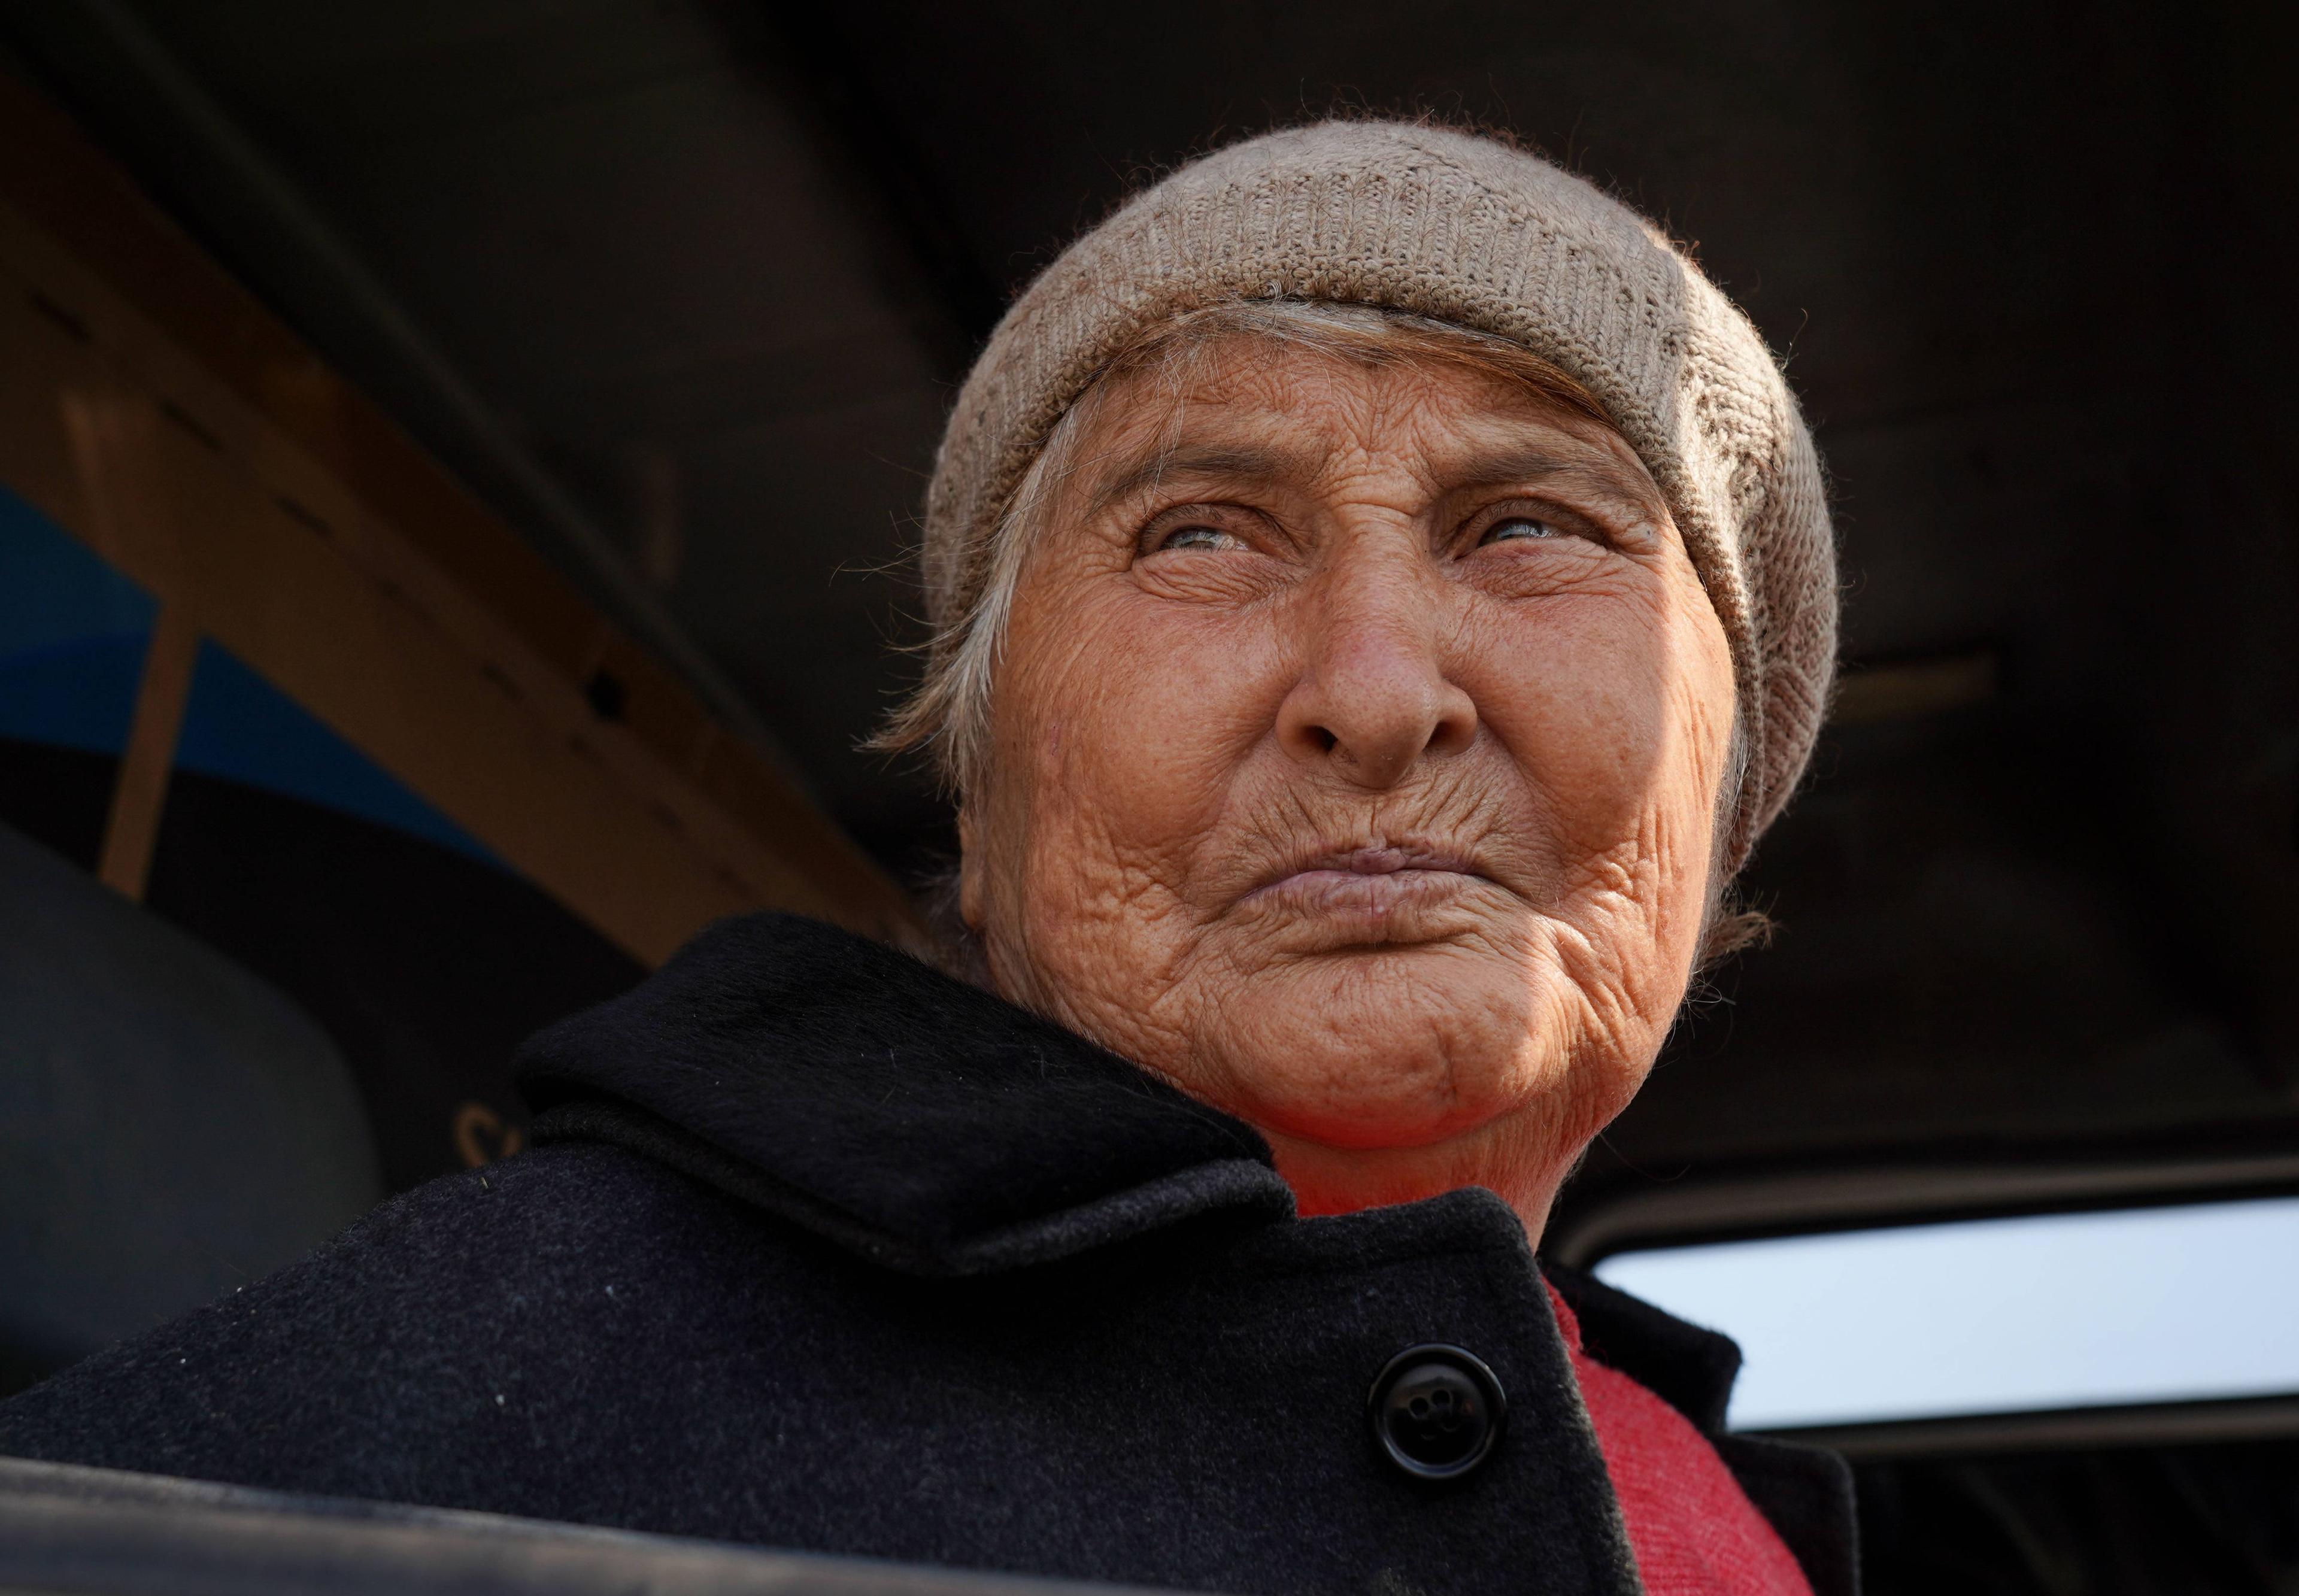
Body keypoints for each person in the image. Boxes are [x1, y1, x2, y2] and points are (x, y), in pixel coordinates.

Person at [0, 120, 1845, 1596]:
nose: (1374, 691)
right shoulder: (474, 1386)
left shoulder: (1718, 1508)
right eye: (1203, 535)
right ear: (984, 794)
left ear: (1723, 793)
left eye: (1529, 525)